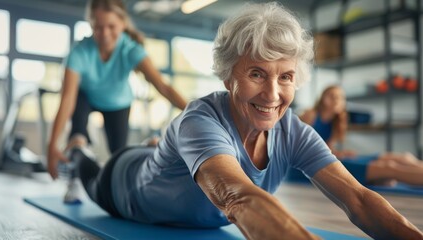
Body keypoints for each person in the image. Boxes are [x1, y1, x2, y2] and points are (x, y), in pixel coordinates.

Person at [49, 2, 423, 239]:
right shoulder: (201, 120)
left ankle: (156, 150)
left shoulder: (293, 131)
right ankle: (78, 153)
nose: (273, 95)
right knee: (87, 164)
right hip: (121, 184)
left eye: (286, 76)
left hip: (165, 162)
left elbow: (357, 199)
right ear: (229, 76)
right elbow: (237, 197)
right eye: (257, 74)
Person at [47, 0, 187, 203]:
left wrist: (195, 109)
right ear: (90, 25)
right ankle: (75, 180)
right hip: (85, 97)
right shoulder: (79, 52)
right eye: (97, 27)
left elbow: (163, 87)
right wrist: (52, 146)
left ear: (123, 23)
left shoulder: (131, 50)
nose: (104, 34)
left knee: (118, 153)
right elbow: (67, 99)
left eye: (111, 26)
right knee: (78, 136)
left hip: (118, 102)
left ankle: (121, 183)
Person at [299, 85, 423, 186]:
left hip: (330, 159)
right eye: (332, 96)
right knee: (389, 167)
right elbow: (300, 148)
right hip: (315, 166)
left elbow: (327, 148)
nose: (337, 100)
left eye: (341, 97)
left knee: (403, 157)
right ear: (322, 99)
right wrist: (336, 154)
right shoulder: (311, 115)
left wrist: (340, 153)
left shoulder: (336, 121)